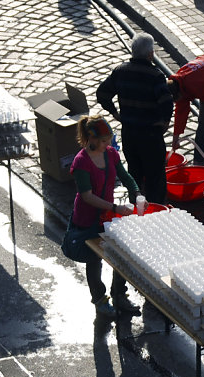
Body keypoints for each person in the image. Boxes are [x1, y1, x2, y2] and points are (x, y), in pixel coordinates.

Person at [68, 115, 139, 317]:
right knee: (94, 259)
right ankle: (100, 300)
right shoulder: (81, 162)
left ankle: (119, 294)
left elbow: (124, 176)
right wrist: (115, 208)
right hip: (88, 217)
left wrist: (136, 191)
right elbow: (87, 196)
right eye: (104, 140)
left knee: (120, 254)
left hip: (107, 214)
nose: (108, 144)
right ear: (91, 139)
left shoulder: (110, 154)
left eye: (109, 139)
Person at [96, 33, 173, 204]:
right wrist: (164, 121)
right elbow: (167, 103)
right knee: (155, 178)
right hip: (151, 136)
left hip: (130, 134)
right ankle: (157, 210)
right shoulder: (155, 76)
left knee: (134, 176)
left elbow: (102, 93)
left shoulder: (120, 71)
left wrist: (115, 113)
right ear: (150, 54)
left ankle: (135, 209)